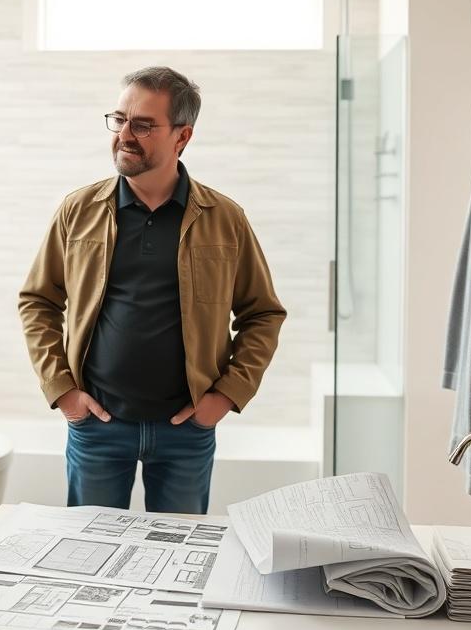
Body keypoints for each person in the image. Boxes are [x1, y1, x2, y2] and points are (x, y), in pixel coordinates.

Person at [19, 66, 286, 515]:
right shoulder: (78, 210)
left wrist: (223, 399)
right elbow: (38, 301)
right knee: (89, 557)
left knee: (179, 562)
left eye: (142, 125)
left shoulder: (224, 218)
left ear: (182, 137)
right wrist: (62, 390)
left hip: (186, 431)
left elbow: (263, 315)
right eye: (119, 119)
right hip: (98, 428)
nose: (125, 134)